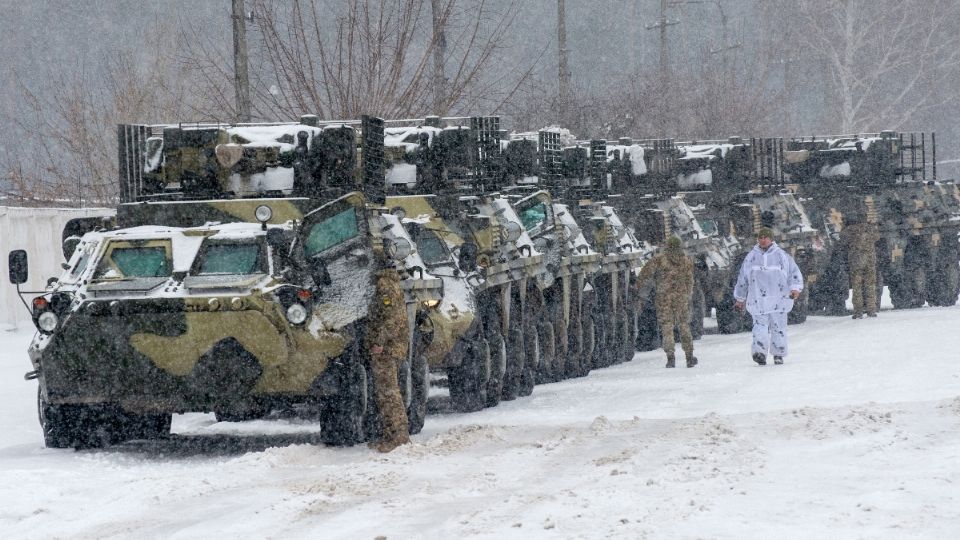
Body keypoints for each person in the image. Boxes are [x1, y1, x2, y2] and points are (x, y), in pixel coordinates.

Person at [733, 227, 804, 366]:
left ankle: (778, 353)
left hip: (779, 299)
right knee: (759, 328)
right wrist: (739, 298)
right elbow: (743, 279)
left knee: (779, 327)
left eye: (765, 237)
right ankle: (759, 353)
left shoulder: (782, 256)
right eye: (760, 237)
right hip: (758, 300)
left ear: (771, 239)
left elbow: (794, 273)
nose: (763, 240)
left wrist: (795, 288)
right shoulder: (751, 258)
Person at [365, 266, 411, 452]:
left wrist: (380, 342)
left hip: (387, 349)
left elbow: (393, 318)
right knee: (386, 393)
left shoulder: (384, 285)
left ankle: (398, 436)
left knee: (388, 393)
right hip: (389, 347)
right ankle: (390, 435)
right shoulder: (390, 282)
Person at [636, 236, 698, 368]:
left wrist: (640, 291)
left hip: (664, 298)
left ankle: (670, 357)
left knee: (667, 327)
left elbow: (645, 275)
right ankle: (689, 356)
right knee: (684, 326)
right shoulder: (686, 260)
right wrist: (688, 295)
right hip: (681, 298)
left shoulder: (659, 260)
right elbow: (690, 280)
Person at [839, 216, 880, 319]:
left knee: (857, 287)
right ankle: (871, 310)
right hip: (870, 260)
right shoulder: (870, 228)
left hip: (856, 261)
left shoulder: (850, 230)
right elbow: (877, 237)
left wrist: (844, 226)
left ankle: (858, 312)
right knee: (870, 286)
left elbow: (842, 239)